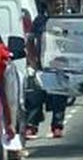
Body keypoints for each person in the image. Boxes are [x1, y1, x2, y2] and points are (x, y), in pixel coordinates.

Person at [24, 8, 68, 139]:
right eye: (54, 3)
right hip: (41, 63)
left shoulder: (65, 20)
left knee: (59, 96)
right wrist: (32, 60)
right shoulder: (39, 21)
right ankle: (31, 126)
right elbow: (30, 41)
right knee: (36, 96)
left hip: (60, 64)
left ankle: (57, 126)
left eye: (60, 4)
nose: (58, 6)